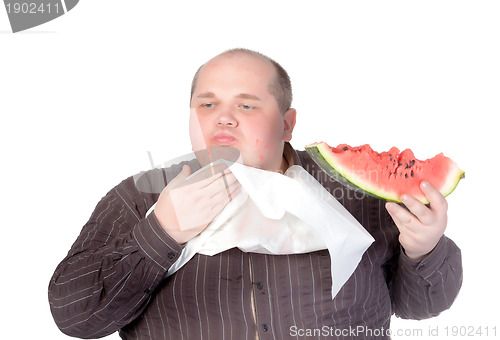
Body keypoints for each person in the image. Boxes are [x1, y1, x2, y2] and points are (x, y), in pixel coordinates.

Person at [48, 48, 462, 339]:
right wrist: (162, 232)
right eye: (207, 105)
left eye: (246, 105)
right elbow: (76, 318)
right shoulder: (139, 197)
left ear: (286, 123)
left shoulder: (356, 192)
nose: (224, 117)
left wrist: (424, 251)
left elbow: (419, 307)